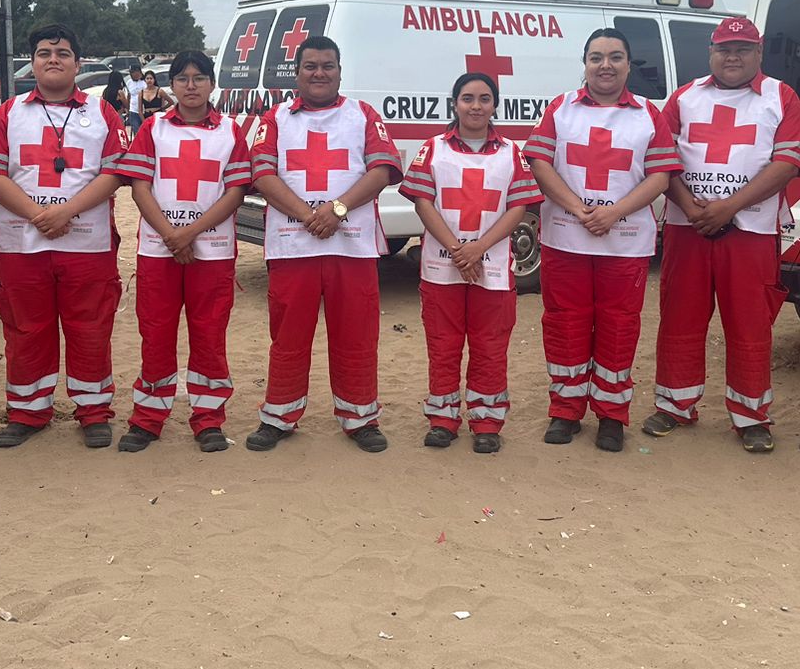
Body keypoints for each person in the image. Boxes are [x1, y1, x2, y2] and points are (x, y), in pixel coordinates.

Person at [644, 16, 800, 452]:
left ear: (759, 53)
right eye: (724, 49)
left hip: (751, 230)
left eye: (742, 49)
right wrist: (690, 205)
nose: (732, 56)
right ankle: (674, 405)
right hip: (688, 227)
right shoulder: (684, 97)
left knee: (750, 324)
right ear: (711, 53)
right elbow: (662, 159)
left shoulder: (782, 97)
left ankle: (751, 415)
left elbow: (787, 164)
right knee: (680, 317)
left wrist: (728, 208)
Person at [525, 29, 680, 452]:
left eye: (615, 56)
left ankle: (612, 415)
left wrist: (615, 212)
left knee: (618, 326)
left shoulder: (649, 113)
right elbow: (539, 162)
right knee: (564, 324)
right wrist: (578, 208)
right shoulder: (561, 108)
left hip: (625, 241)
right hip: (566, 238)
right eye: (596, 57)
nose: (605, 65)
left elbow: (661, 175)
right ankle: (565, 410)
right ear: (585, 64)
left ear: (629, 65)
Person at [247, 35, 404, 451]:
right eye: (310, 66)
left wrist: (336, 210)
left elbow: (384, 169)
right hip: (291, 245)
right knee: (288, 335)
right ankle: (278, 416)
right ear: (297, 73)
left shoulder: (363, 115)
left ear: (339, 70)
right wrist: (308, 215)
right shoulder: (275, 118)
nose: (319, 73)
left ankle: (360, 418)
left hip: (351, 246)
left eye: (327, 66)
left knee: (356, 334)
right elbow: (262, 173)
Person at [0, 23, 130, 450]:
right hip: (21, 244)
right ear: (32, 61)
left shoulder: (103, 113)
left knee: (90, 328)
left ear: (78, 63)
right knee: (26, 329)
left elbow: (116, 171)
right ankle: (28, 411)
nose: (53, 59)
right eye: (44, 52)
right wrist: (37, 214)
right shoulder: (10, 112)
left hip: (87, 244)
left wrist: (67, 211)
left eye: (62, 52)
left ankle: (93, 411)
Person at [114, 51, 251, 453]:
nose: (191, 85)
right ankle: (147, 419)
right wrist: (171, 235)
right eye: (182, 78)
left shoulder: (230, 131)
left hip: (213, 251)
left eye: (199, 77)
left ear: (212, 83)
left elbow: (236, 191)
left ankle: (208, 419)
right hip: (159, 252)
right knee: (155, 334)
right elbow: (140, 187)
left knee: (209, 335)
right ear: (170, 86)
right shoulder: (153, 128)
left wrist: (188, 233)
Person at [401, 72, 542, 453]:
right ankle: (443, 419)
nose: (475, 106)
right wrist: (458, 249)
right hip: (440, 266)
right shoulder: (433, 148)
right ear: (455, 104)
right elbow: (423, 202)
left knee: (490, 346)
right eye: (467, 98)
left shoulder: (511, 153)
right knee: (443, 345)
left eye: (484, 98)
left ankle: (487, 420)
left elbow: (519, 206)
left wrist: (477, 248)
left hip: (492, 267)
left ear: (495, 105)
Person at [125, 63, 147, 134]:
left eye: (134, 72)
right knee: (136, 131)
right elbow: (128, 96)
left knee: (145, 131)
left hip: (144, 111)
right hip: (133, 111)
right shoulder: (129, 83)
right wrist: (127, 110)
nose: (132, 74)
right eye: (131, 73)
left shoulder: (145, 82)